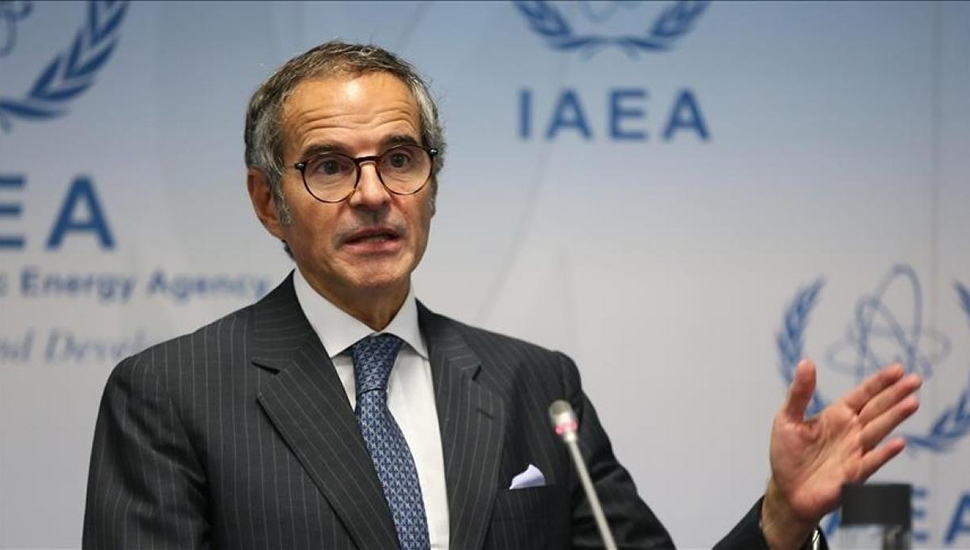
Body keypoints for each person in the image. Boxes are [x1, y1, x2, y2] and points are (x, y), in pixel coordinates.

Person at [82, 41, 922, 549]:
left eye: (400, 159)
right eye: (330, 167)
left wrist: (779, 521)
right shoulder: (171, 394)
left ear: (432, 184)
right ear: (269, 202)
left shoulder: (534, 384)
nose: (373, 194)